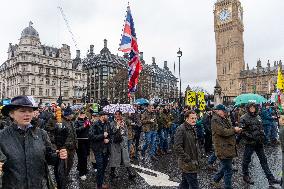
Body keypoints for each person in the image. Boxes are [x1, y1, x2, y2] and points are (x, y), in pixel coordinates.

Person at [0, 95, 67, 188]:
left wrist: (58, 155)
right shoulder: (2, 136)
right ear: (11, 114)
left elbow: (49, 158)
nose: (27, 114)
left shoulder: (41, 134)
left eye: (30, 111)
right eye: (22, 111)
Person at [240, 103, 281, 186]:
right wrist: (251, 136)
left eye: (254, 107)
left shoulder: (258, 117)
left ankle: (271, 179)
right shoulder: (243, 118)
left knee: (264, 161)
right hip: (250, 143)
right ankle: (245, 175)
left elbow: (261, 128)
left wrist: (263, 136)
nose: (252, 109)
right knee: (246, 160)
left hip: (259, 143)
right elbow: (242, 132)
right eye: (251, 107)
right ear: (248, 108)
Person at [211, 104, 242, 189]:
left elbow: (229, 128)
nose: (225, 112)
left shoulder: (223, 118)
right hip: (222, 147)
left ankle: (215, 180)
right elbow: (222, 132)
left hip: (227, 146)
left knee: (225, 166)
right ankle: (227, 187)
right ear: (218, 111)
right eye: (223, 111)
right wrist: (234, 130)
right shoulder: (215, 119)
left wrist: (235, 130)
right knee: (228, 170)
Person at [174, 110, 200, 189]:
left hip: (192, 161)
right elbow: (177, 147)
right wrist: (187, 158)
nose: (194, 120)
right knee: (194, 186)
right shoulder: (181, 129)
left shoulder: (192, 128)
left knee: (184, 184)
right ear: (186, 119)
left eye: (195, 118)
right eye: (192, 118)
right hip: (187, 163)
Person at [109, 111, 136, 179]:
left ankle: (130, 173)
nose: (117, 116)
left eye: (119, 114)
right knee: (115, 158)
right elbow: (111, 132)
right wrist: (117, 126)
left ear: (121, 115)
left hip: (123, 142)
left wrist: (125, 138)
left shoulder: (123, 123)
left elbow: (126, 132)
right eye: (116, 114)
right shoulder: (112, 123)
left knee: (126, 157)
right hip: (115, 143)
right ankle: (112, 173)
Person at [89, 111, 111, 189]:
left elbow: (110, 134)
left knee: (103, 167)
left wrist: (108, 139)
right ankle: (99, 186)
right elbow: (91, 136)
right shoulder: (95, 124)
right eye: (106, 115)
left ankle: (101, 184)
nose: (108, 117)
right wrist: (102, 136)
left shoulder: (107, 124)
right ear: (102, 116)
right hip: (98, 149)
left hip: (106, 149)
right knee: (100, 168)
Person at [75, 111, 91, 180]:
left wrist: (90, 125)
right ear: (79, 115)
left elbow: (90, 130)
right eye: (81, 114)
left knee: (86, 156)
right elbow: (76, 130)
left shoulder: (87, 120)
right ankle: (82, 173)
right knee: (82, 157)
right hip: (80, 141)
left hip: (87, 141)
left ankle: (81, 168)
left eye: (83, 114)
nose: (82, 115)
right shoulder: (77, 121)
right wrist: (84, 126)